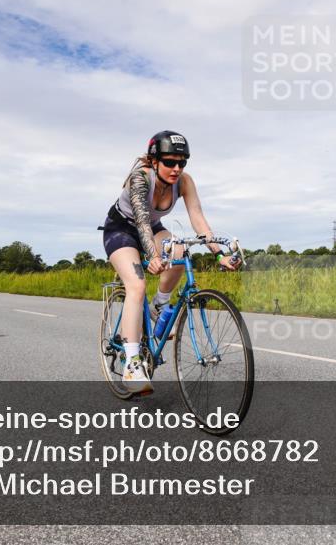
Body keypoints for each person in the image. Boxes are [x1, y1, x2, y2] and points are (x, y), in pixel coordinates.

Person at [102, 130, 238, 394]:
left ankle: (158, 307)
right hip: (121, 231)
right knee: (137, 285)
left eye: (182, 162)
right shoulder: (140, 178)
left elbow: (198, 219)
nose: (177, 168)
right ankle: (132, 364)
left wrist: (218, 253)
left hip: (152, 228)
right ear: (154, 161)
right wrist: (153, 256)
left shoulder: (184, 181)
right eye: (170, 162)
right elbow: (141, 220)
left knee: (179, 250)